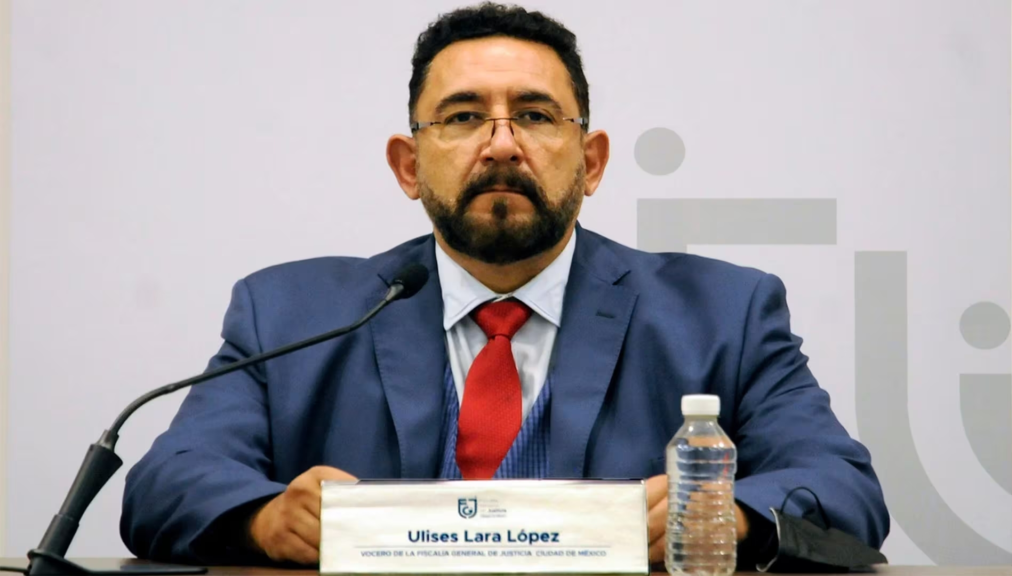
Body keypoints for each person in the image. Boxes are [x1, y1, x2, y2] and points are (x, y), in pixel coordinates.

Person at [120, 2, 889, 569]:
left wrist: (729, 518)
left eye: (535, 115)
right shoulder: (290, 314)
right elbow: (165, 484)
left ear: (590, 162)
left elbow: (845, 491)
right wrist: (262, 519)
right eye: (462, 117)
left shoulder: (725, 314)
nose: (500, 145)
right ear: (408, 166)